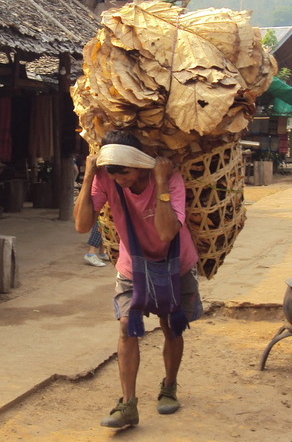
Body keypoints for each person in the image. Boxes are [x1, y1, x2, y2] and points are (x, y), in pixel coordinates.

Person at [74, 130, 202, 429]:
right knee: (125, 328)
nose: (119, 178)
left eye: (125, 171)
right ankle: (128, 403)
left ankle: (169, 387)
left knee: (171, 326)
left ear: (140, 163)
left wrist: (159, 182)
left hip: (176, 264)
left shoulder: (170, 179)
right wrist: (89, 174)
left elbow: (166, 232)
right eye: (112, 172)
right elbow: (82, 225)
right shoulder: (106, 178)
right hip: (133, 267)